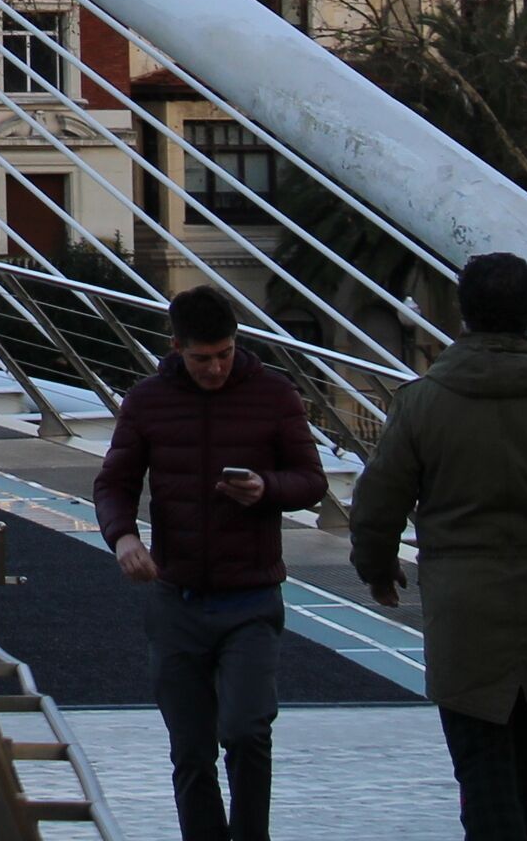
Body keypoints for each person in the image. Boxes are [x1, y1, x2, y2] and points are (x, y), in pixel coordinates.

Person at [350, 251, 527, 841]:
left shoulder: (422, 402)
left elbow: (377, 504)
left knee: (483, 772)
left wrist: (377, 568)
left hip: (463, 616)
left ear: (464, 314)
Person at [91, 284, 327, 841]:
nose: (216, 368)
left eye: (225, 354)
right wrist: (123, 538)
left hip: (251, 596)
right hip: (178, 599)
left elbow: (312, 481)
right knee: (191, 751)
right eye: (202, 358)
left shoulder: (274, 394)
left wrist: (266, 488)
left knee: (247, 731)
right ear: (176, 348)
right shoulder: (148, 401)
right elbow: (114, 483)